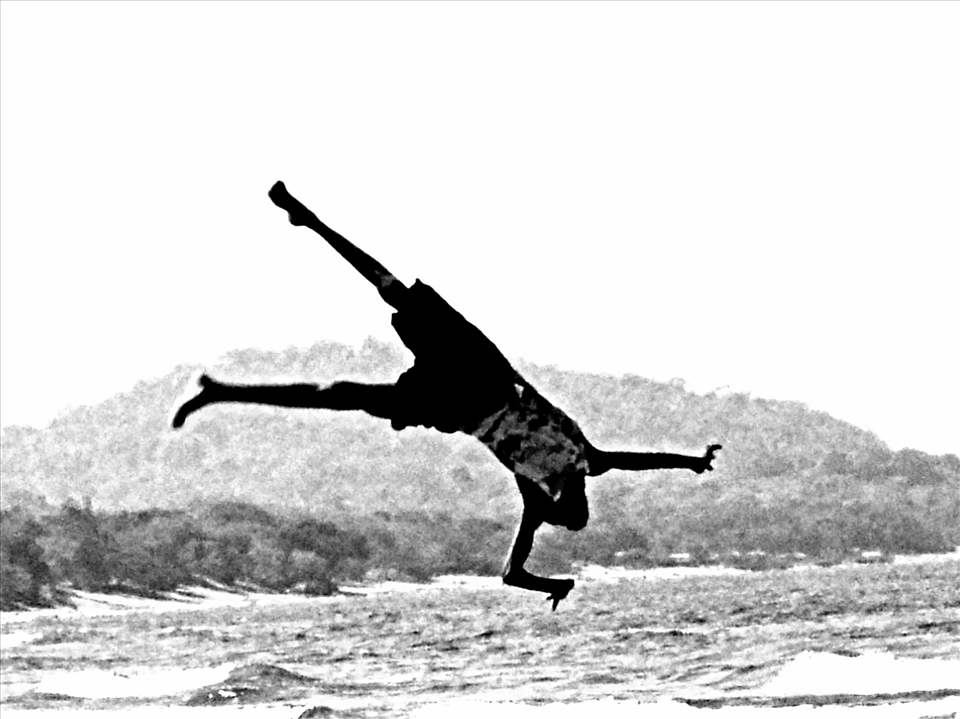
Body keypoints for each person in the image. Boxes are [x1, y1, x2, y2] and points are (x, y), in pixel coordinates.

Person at [171, 182, 722, 609]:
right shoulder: (591, 461)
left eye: (562, 509)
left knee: (344, 395)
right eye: (571, 505)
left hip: (460, 407)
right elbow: (649, 460)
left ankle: (221, 391)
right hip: (483, 370)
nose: (565, 502)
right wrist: (694, 463)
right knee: (393, 290)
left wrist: (552, 583)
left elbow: (513, 572)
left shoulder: (535, 497)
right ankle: (308, 220)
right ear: (577, 499)